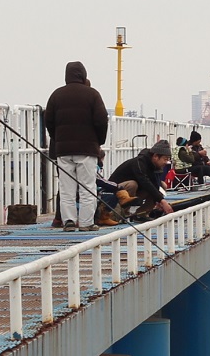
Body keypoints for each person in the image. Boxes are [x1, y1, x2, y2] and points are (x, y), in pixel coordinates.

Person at [44, 60, 107, 230]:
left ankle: (69, 221)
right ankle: (87, 222)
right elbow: (101, 120)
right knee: (88, 187)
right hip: (87, 149)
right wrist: (99, 141)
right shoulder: (92, 94)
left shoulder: (56, 95)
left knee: (66, 188)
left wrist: (57, 138)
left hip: (63, 150)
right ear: (83, 75)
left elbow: (48, 120)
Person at [108, 140, 175, 220]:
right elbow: (144, 181)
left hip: (136, 190)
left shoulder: (156, 166)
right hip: (115, 190)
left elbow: (156, 185)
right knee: (132, 184)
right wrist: (162, 201)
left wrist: (159, 200)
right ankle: (122, 213)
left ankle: (141, 213)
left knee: (162, 185)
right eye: (165, 159)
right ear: (155, 156)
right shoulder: (139, 162)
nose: (166, 162)